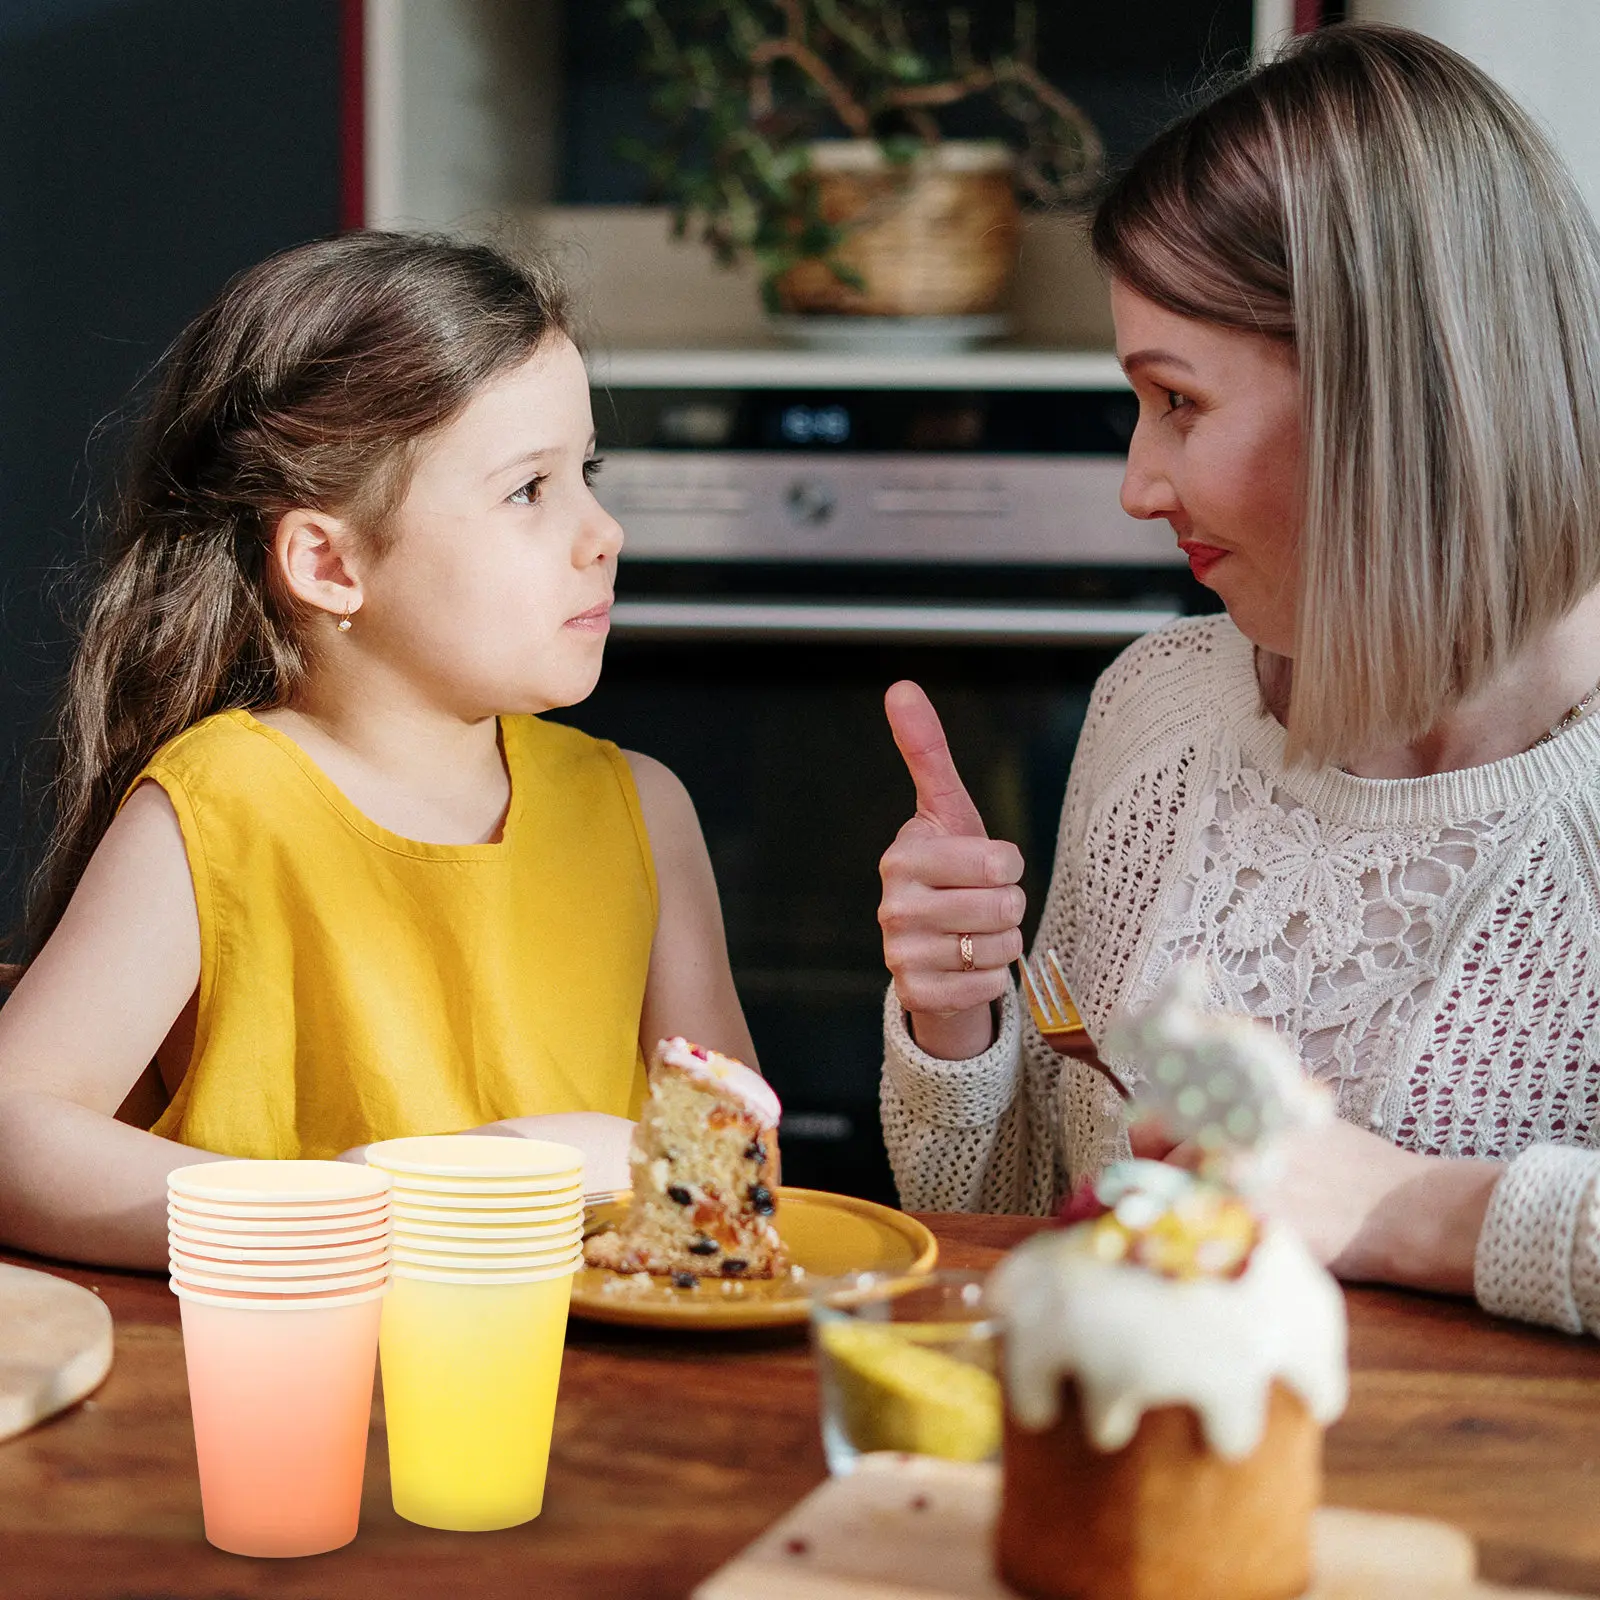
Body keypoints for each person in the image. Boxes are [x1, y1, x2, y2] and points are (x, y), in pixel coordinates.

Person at [877, 22, 1600, 1337]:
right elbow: (1024, 1210)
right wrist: (958, 1020)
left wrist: (1414, 1211)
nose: (1138, 486)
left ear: (1390, 398)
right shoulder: (1158, 709)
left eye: (1180, 403)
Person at [0, 232, 756, 1270]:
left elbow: (736, 1174)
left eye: (586, 470)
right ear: (328, 560)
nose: (604, 530)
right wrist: (370, 1204)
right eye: (528, 489)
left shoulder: (640, 812)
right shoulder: (218, 810)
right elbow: (15, 1129)